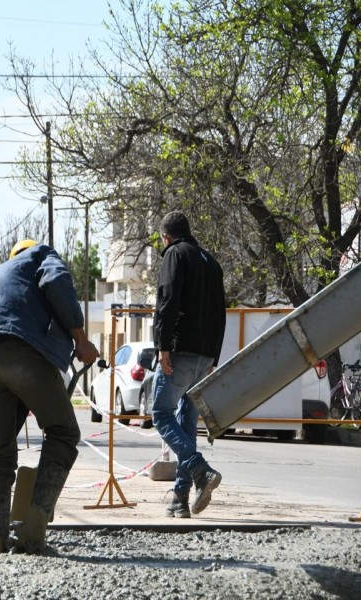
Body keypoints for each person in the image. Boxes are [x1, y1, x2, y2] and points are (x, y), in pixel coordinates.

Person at [0, 239, 100, 554]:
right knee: (63, 433)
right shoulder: (40, 255)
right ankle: (33, 535)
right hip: (20, 347)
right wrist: (80, 339)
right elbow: (56, 280)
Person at [152, 210, 226, 518]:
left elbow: (168, 299)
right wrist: (214, 357)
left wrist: (162, 345)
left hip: (180, 351)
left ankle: (199, 470)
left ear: (167, 237)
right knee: (186, 421)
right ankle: (180, 497)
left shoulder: (175, 254)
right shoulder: (211, 263)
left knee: (161, 414)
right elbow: (221, 312)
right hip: (205, 355)